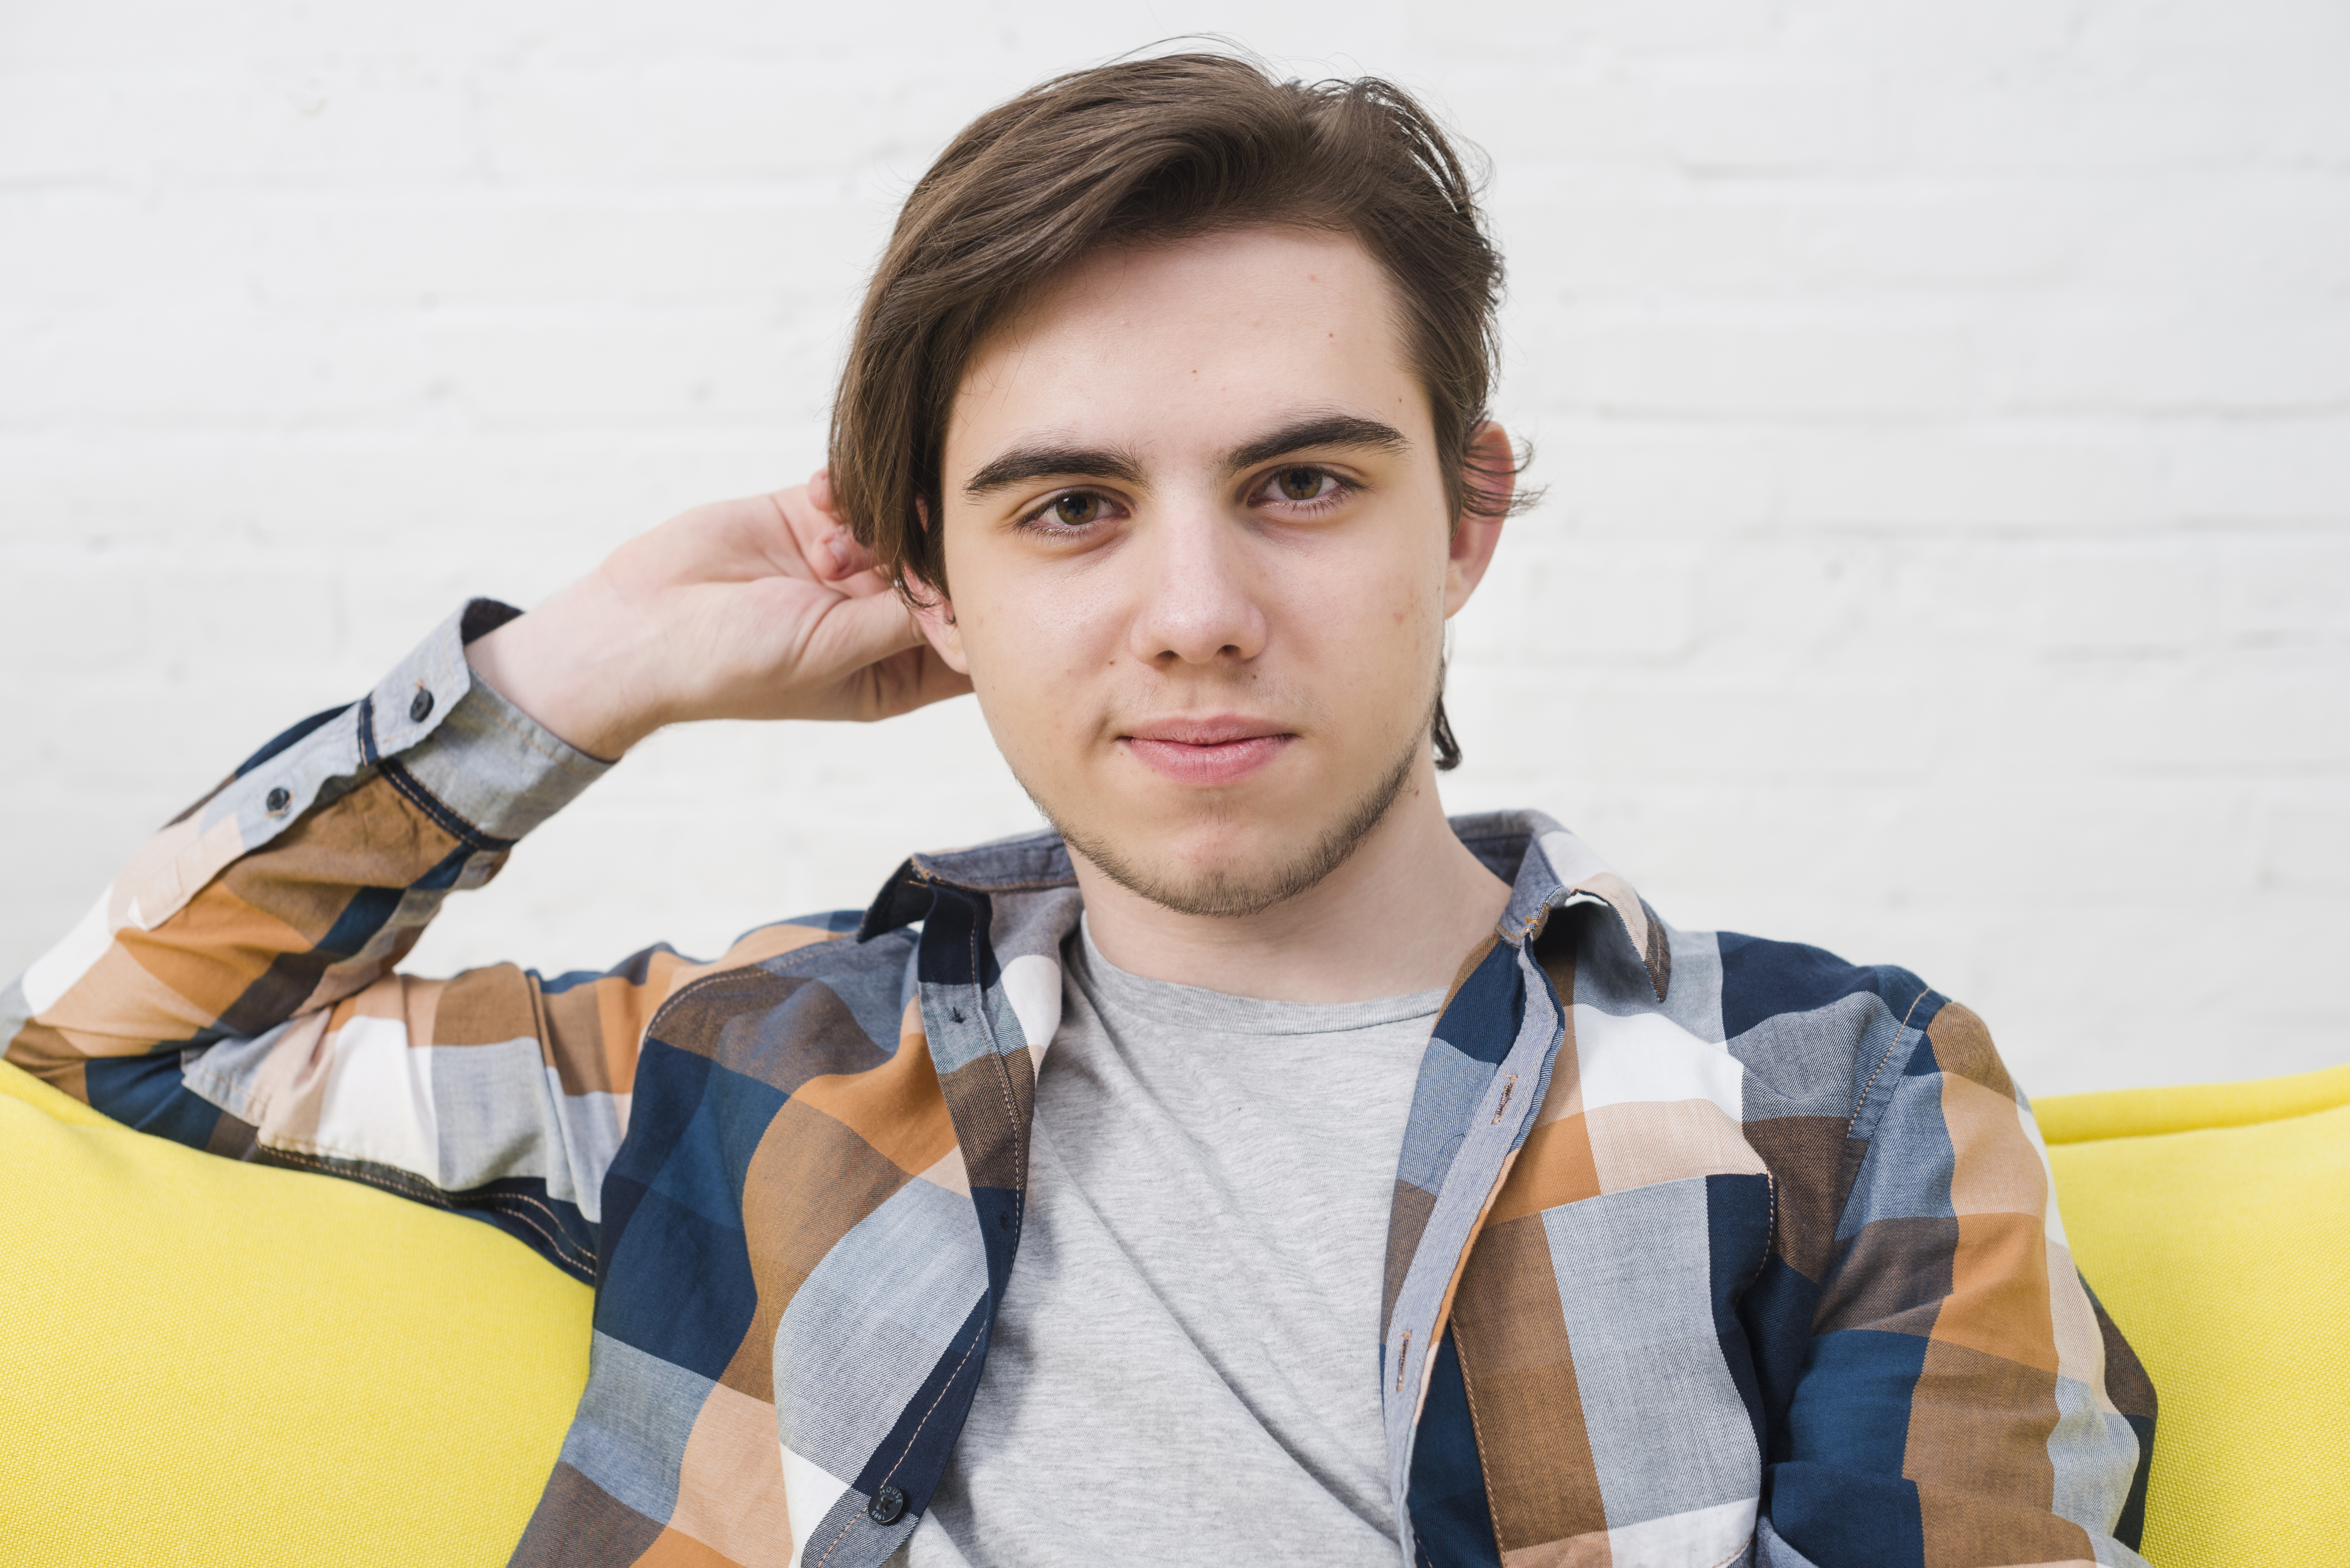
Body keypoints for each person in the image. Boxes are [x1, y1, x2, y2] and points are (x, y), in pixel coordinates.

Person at [2, 51, 2155, 1568]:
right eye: (1070, 509)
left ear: (1469, 514)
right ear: (929, 582)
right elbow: (118, 1038)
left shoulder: (1844, 1098)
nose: (1196, 614)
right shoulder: (752, 1062)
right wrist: (586, 674)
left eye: (1302, 483)